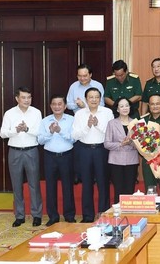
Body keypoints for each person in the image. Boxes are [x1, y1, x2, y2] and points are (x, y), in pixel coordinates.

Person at [0, 87, 43, 227]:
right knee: (16, 185)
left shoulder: (36, 112)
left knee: (34, 184)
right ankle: (19, 216)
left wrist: (27, 129)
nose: (26, 100)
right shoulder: (9, 113)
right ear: (17, 98)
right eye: (23, 97)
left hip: (31, 151)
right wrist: (16, 130)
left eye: (29, 97)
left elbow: (39, 132)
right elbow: (2, 133)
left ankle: (36, 215)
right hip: (15, 151)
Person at [72, 87, 113, 222]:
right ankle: (88, 216)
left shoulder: (107, 112)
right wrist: (88, 126)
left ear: (100, 98)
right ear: (86, 99)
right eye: (91, 97)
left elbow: (111, 133)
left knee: (103, 183)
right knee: (87, 183)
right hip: (84, 150)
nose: (94, 99)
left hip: (102, 150)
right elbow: (75, 135)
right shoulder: (79, 114)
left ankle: (104, 214)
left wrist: (98, 124)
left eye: (96, 97)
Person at [38, 94, 76, 226]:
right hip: (50, 156)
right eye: (54, 104)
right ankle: (53, 216)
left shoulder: (71, 119)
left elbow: (73, 138)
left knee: (68, 186)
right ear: (50, 106)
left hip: (67, 156)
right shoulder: (45, 121)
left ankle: (69, 215)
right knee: (50, 187)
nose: (57, 106)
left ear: (65, 106)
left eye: (60, 104)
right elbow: (40, 140)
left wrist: (60, 131)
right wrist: (50, 132)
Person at [104, 97, 139, 204]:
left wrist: (131, 143)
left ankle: (129, 214)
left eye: (127, 105)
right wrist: (121, 144)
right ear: (117, 109)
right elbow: (107, 144)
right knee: (118, 190)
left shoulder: (136, 123)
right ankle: (117, 215)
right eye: (122, 106)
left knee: (130, 189)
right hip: (116, 161)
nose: (125, 108)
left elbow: (141, 144)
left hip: (132, 160)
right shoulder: (111, 123)